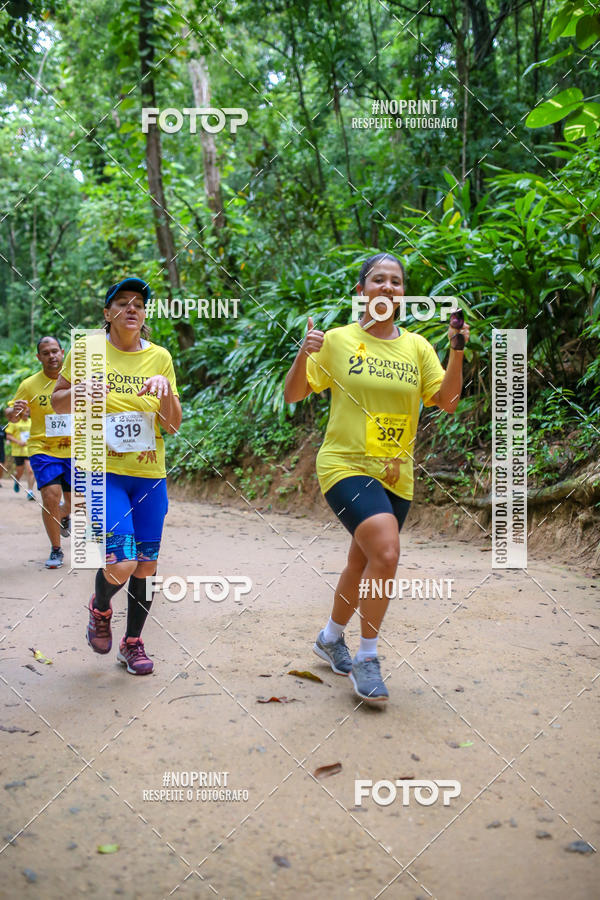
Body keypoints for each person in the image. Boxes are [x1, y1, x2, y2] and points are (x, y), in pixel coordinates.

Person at [283, 252, 470, 703]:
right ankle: (367, 658)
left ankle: (330, 638)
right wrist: (303, 352)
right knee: (386, 551)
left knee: (363, 562)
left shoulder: (417, 348)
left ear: (403, 294)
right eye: (378, 279)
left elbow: (447, 401)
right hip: (345, 464)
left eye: (396, 281)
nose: (388, 287)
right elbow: (293, 394)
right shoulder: (337, 341)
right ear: (361, 291)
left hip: (395, 473)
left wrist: (456, 349)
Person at [51, 277, 182, 676]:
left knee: (146, 565)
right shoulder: (87, 351)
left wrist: (164, 393)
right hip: (101, 472)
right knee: (122, 561)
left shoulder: (160, 357)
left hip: (148, 474)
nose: (131, 309)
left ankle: (132, 643)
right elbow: (57, 401)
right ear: (107, 313)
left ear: (144, 315)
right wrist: (79, 393)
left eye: (138, 304)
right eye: (122, 303)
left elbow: (172, 426)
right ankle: (101, 607)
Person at [5, 337, 71, 567]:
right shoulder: (29, 384)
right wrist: (14, 411)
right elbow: (12, 414)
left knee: (76, 501)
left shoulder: (77, 380)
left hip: (77, 449)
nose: (51, 356)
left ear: (62, 352)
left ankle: (64, 514)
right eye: (45, 353)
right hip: (43, 448)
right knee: (51, 495)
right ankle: (56, 550)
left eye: (54, 351)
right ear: (38, 357)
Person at [6, 416, 35, 499]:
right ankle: (17, 479)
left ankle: (30, 492)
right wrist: (18, 442)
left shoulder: (32, 421)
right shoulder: (14, 421)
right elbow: (8, 436)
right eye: (25, 411)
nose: (26, 413)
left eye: (28, 411)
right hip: (18, 451)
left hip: (29, 450)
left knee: (30, 471)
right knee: (20, 471)